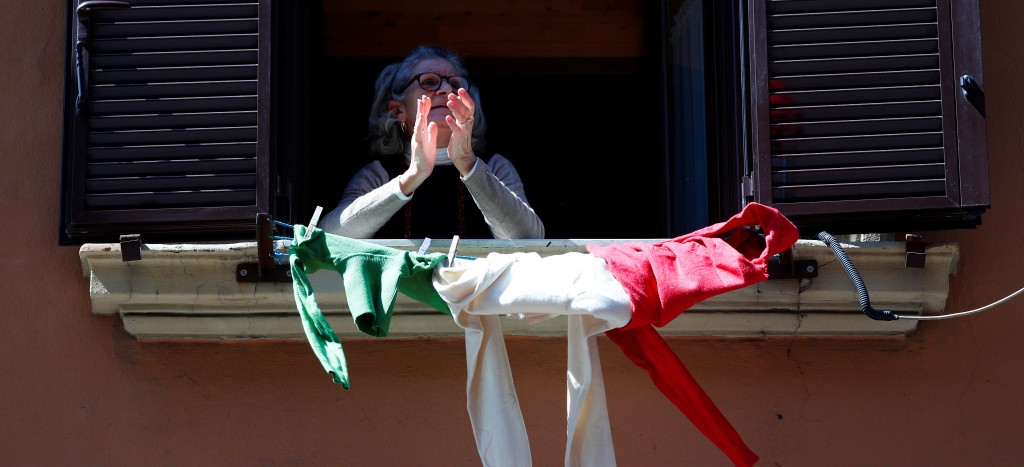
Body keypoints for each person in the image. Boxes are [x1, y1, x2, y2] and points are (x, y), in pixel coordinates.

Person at [321, 45, 544, 240]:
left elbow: (527, 239)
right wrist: (413, 176)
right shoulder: (378, 173)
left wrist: (468, 164)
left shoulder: (494, 166)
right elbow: (332, 237)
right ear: (398, 110)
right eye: (429, 82)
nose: (447, 90)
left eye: (455, 84)